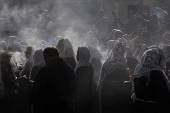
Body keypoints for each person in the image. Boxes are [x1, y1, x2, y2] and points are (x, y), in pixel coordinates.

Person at [30, 47, 76, 113]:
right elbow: (74, 87)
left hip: (51, 107)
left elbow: (38, 90)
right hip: (67, 106)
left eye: (45, 59)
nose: (45, 62)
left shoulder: (46, 70)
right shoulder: (69, 68)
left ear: (47, 56)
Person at [97, 39, 132, 113]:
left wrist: (99, 92)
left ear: (114, 50)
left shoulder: (108, 63)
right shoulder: (126, 64)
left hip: (109, 97)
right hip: (122, 98)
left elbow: (102, 81)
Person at [133, 48, 170, 113]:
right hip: (153, 108)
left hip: (139, 108)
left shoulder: (139, 72)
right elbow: (163, 94)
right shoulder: (157, 73)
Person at [75, 47, 94, 113]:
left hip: (82, 98)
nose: (76, 56)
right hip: (88, 96)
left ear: (82, 55)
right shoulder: (88, 66)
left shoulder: (82, 68)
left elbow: (81, 84)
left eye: (78, 54)